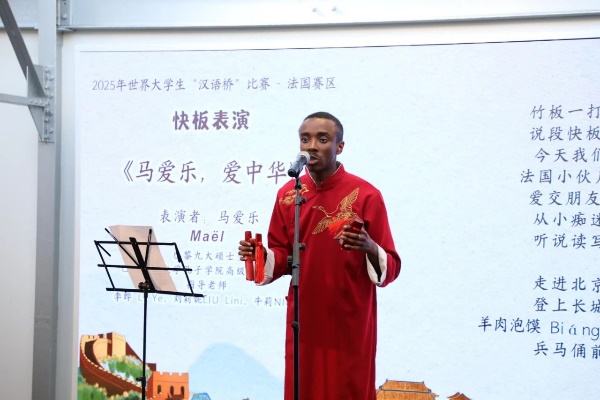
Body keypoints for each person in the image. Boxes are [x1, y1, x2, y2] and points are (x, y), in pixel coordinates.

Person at [238, 111, 401, 399]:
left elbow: (392, 265)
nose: (311, 146)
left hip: (349, 315)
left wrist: (368, 245)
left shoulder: (366, 194)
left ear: (340, 146)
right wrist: (260, 254)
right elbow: (282, 253)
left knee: (347, 387)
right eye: (305, 139)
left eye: (322, 139)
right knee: (304, 383)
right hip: (304, 315)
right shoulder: (288, 195)